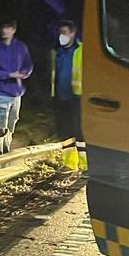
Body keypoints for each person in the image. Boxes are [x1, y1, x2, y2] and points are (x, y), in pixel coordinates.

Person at [0, 20, 33, 156]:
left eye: (8, 28)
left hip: (16, 92)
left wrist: (24, 74)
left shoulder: (21, 47)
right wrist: (8, 74)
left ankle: (6, 150)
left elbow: (28, 65)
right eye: (3, 28)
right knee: (0, 125)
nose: (5, 31)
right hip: (1, 91)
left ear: (13, 30)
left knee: (12, 123)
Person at [50, 20, 86, 171]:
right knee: (65, 132)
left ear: (73, 33)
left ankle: (85, 165)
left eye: (64, 33)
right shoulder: (56, 52)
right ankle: (69, 164)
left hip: (78, 97)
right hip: (61, 97)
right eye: (60, 33)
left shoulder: (82, 50)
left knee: (80, 132)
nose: (61, 36)